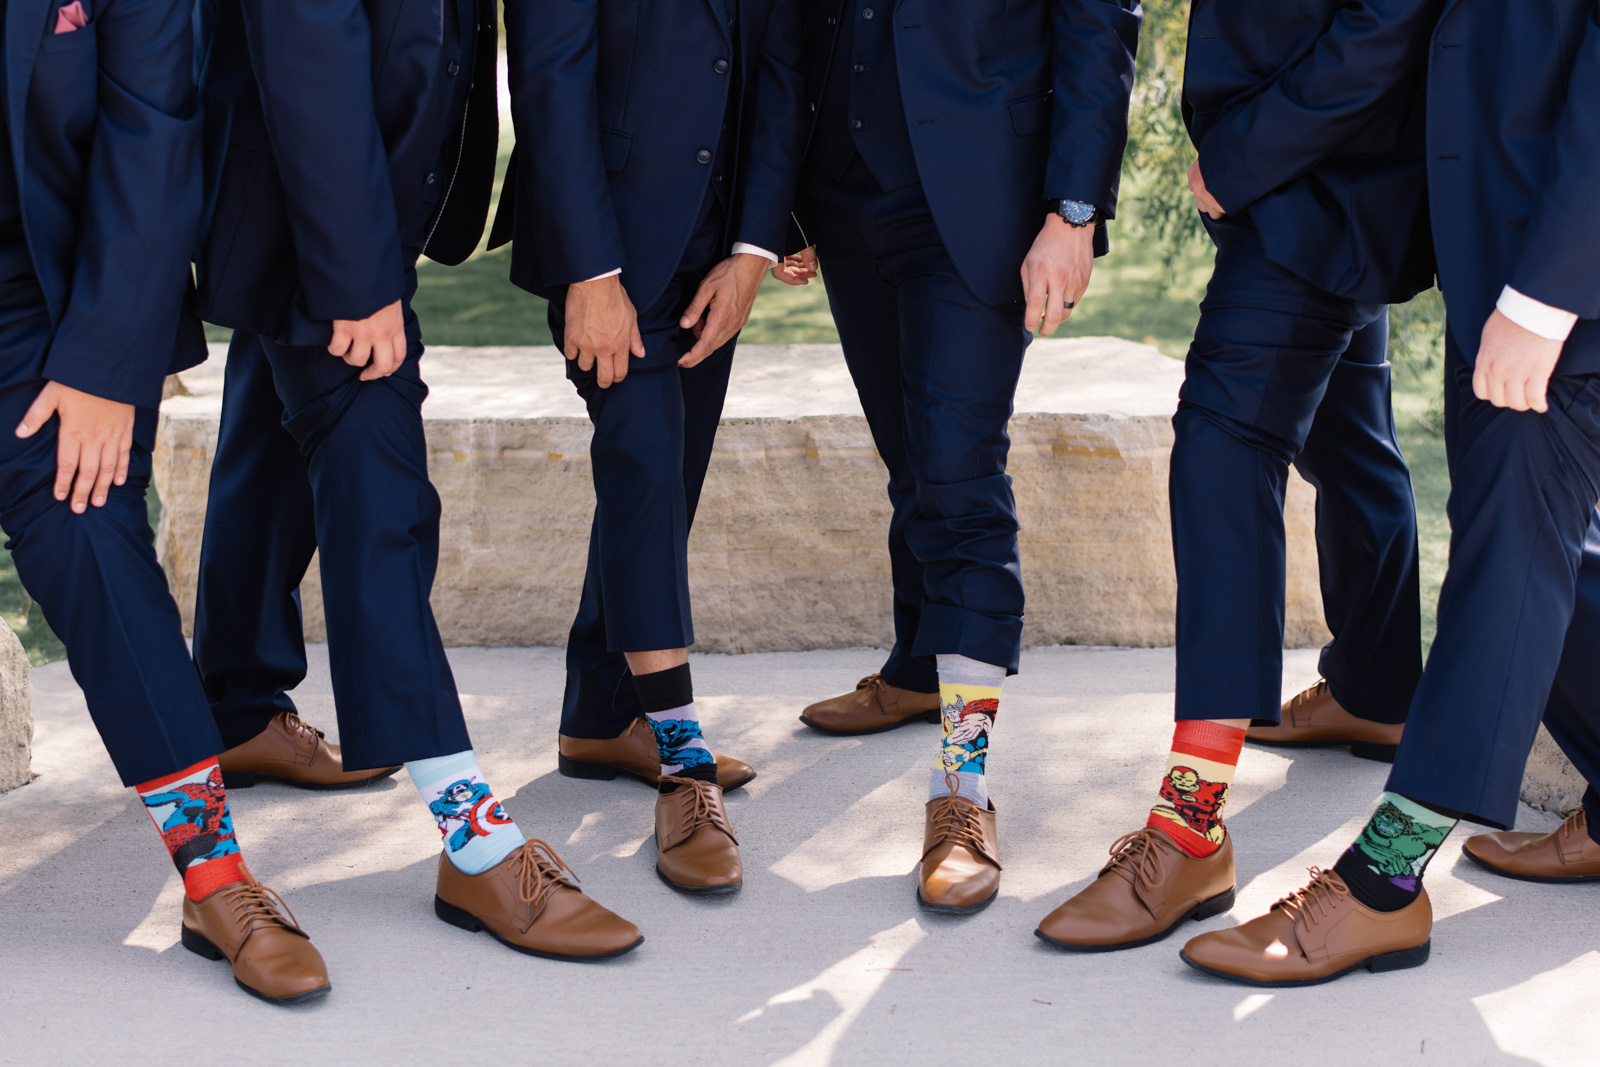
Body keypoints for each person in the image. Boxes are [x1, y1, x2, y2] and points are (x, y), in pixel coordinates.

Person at [190, 0, 641, 961]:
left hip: (361, 205)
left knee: (270, 438)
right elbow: (307, 46)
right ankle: (473, 839)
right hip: (314, 223)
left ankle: (234, 702)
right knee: (381, 494)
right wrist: (357, 279)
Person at [1183, 0, 1600, 985]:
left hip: (1558, 284)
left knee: (1505, 562)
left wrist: (1547, 297)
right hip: (1495, 254)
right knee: (1540, 549)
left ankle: (1384, 882)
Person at [1034, 0, 1443, 951]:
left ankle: (1189, 827)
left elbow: (1385, 20)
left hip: (1324, 180)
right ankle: (1379, 691)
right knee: (1350, 437)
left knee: (1223, 447)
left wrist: (1237, 155)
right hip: (1313, 183)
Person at [0, 0, 329, 1003]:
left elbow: (152, 131)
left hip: (44, 306)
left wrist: (106, 367)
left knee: (94, 538)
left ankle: (213, 869)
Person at [782, 0, 1140, 913]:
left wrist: (1073, 211)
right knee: (910, 457)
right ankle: (916, 669)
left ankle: (962, 792)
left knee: (958, 472)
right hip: (843, 190)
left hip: (983, 185)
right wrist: (779, 195)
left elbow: (1099, 23)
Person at [496, 0, 805, 894]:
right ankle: (681, 760)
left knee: (668, 481)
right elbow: (550, 74)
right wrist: (589, 273)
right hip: (609, 245)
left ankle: (599, 713)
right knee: (642, 469)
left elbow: (779, 72)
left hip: (717, 249)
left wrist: (751, 251)